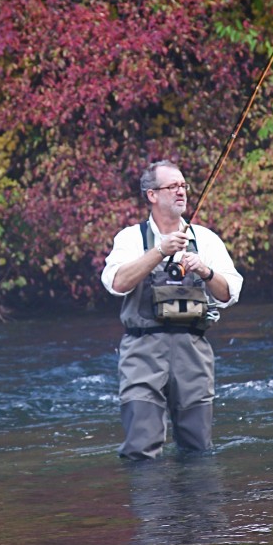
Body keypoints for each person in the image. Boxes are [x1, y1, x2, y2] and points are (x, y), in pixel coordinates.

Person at [101, 160, 243, 460]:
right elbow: (116, 283)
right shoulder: (131, 238)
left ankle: (196, 506)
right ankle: (152, 505)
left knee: (198, 448)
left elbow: (230, 293)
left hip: (194, 351)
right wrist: (158, 252)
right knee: (140, 447)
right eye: (172, 186)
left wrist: (205, 271)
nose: (181, 192)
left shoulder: (205, 239)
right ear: (152, 195)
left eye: (183, 186)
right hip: (142, 350)